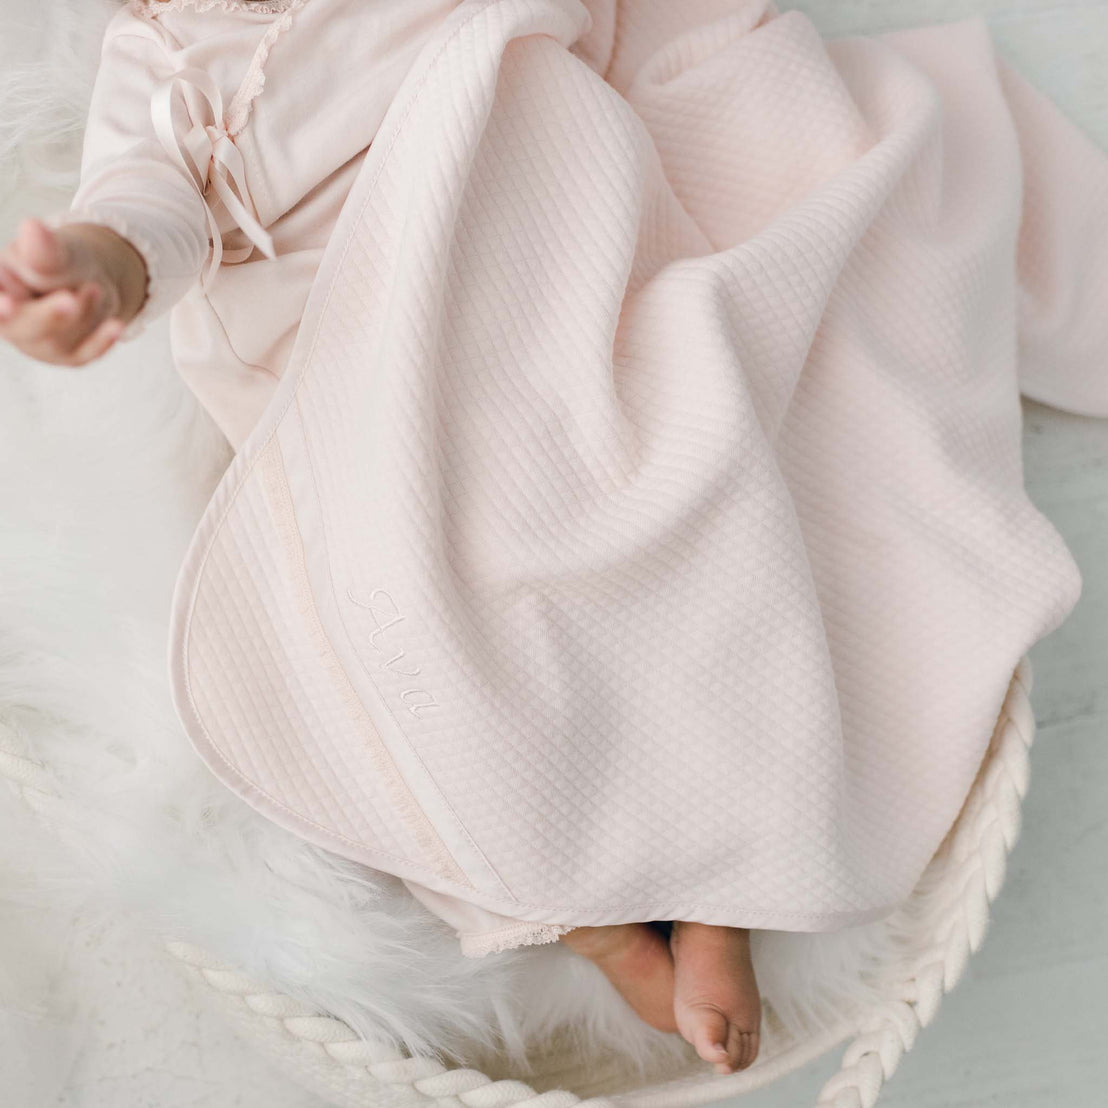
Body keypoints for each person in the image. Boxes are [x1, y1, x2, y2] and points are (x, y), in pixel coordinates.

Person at [0, 0, 762, 1073]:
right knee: (375, 649)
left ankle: (721, 878)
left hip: (532, 310)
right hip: (352, 397)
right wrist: (93, 268)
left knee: (668, 532)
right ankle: (571, 910)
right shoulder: (164, 58)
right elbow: (147, 210)